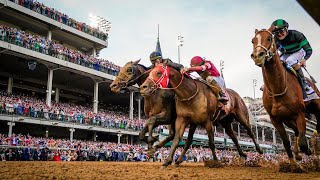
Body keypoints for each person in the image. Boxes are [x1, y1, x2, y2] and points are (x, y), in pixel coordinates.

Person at [270, 19, 313, 94]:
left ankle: (304, 82)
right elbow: (274, 51)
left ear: (286, 29)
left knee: (290, 60)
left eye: (282, 31)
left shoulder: (297, 35)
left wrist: (304, 59)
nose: (279, 34)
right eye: (276, 32)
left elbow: (308, 49)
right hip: (286, 52)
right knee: (276, 62)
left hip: (298, 51)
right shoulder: (275, 39)